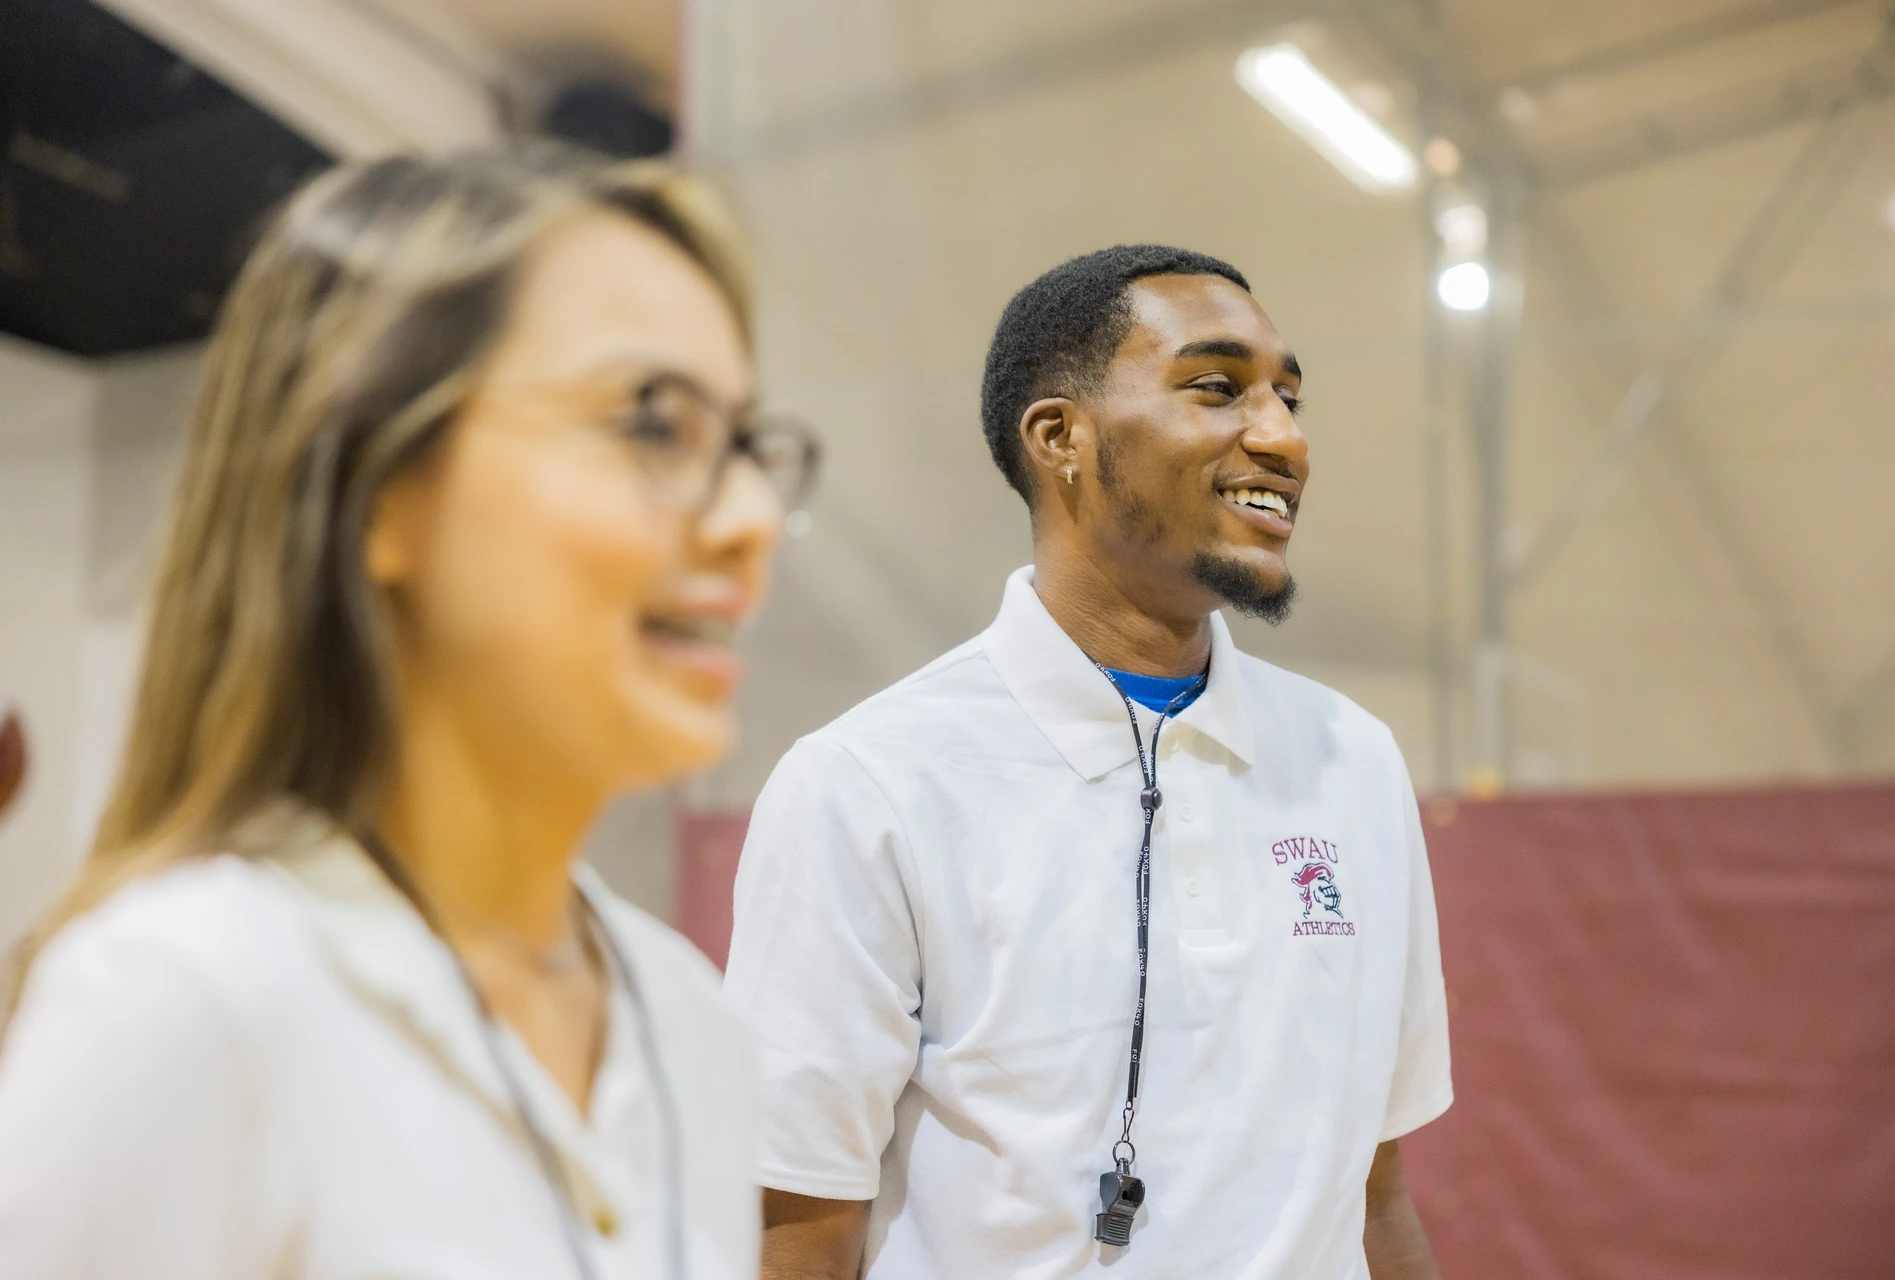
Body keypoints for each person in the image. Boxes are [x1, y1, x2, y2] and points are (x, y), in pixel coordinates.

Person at [0, 145, 816, 1279]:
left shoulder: (692, 1022)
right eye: (651, 424)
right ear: (377, 481)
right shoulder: (186, 997)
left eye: (742, 445)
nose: (749, 517)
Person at [725, 245, 1449, 1278]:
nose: (1283, 436)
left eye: (1289, 396)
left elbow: (1376, 1197)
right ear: (1061, 437)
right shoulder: (869, 782)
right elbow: (793, 1224)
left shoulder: (1354, 762)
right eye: (1218, 387)